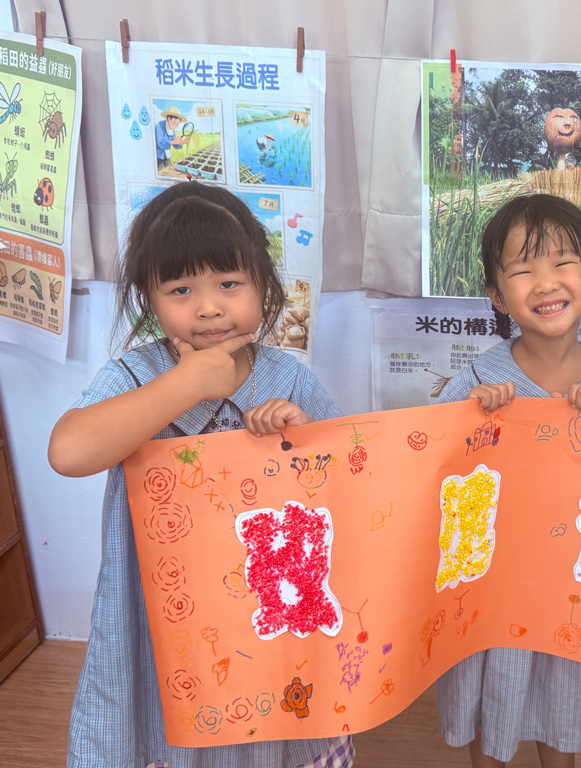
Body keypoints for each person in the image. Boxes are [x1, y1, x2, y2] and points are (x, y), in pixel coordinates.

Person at [48, 182, 354, 768]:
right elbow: (68, 452)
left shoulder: (287, 378)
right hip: (167, 616)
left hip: (267, 612)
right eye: (181, 289)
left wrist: (300, 437)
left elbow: (346, 476)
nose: (209, 307)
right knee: (176, 718)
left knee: (266, 716)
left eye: (229, 284)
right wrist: (186, 383)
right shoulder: (137, 375)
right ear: (149, 299)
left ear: (264, 284)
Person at [434, 193, 581, 767]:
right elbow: (437, 472)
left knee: (563, 689)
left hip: (571, 581)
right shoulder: (478, 378)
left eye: (563, 262)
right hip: (497, 583)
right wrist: (471, 422)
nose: (546, 282)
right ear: (498, 296)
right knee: (489, 687)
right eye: (523, 269)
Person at [155, 106, 190, 171]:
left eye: (178, 123)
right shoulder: (159, 125)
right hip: (158, 157)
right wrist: (173, 142)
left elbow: (175, 145)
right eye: (174, 122)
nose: (176, 125)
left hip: (167, 156)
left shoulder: (172, 130)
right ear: (169, 119)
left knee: (168, 170)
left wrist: (182, 142)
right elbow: (160, 143)